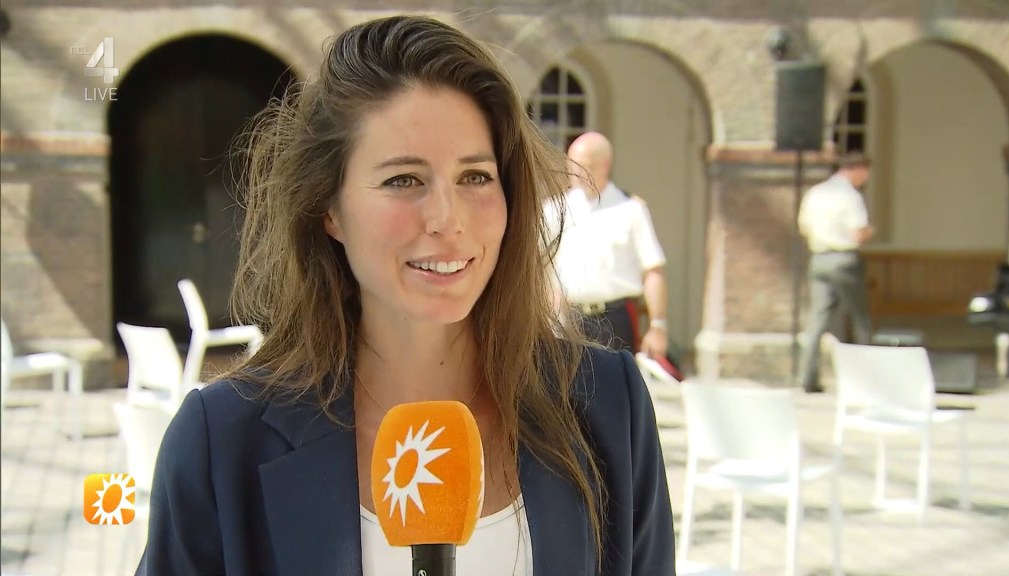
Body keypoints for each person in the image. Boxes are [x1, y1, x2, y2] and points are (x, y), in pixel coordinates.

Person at [136, 15, 674, 576]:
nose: (447, 219)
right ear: (330, 209)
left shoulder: (608, 404)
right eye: (403, 180)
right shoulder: (221, 441)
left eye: (475, 176)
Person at [548, 131, 670, 360]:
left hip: (615, 320)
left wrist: (658, 326)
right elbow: (543, 270)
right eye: (571, 164)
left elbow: (653, 271)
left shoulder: (631, 210)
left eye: (584, 166)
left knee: (617, 382)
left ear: (604, 165)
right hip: (570, 320)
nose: (575, 172)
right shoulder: (555, 210)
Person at [797, 152, 874, 393]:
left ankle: (807, 376)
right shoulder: (850, 196)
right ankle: (866, 379)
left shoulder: (816, 193)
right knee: (860, 318)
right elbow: (857, 233)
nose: (866, 179)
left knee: (817, 319)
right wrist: (870, 232)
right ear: (858, 169)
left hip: (819, 257)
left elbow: (804, 226)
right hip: (844, 259)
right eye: (866, 173)